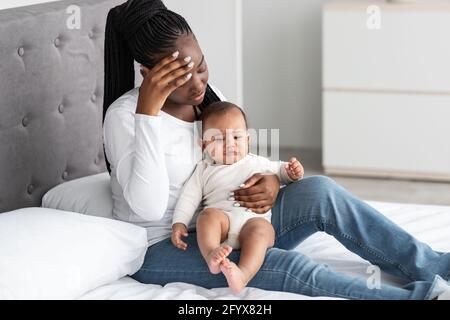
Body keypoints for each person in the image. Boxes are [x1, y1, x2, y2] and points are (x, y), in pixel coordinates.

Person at [102, 0, 450, 299]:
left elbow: (241, 161)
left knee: (320, 190)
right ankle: (422, 296)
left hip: (235, 219)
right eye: (180, 77)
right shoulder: (124, 117)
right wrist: (147, 113)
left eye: (202, 67)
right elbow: (147, 209)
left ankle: (435, 266)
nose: (198, 85)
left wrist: (271, 182)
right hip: (167, 245)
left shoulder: (211, 99)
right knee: (280, 264)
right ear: (147, 74)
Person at [171, 102, 304, 293]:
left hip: (253, 221)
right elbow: (188, 198)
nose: (230, 144)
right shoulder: (203, 170)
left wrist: (292, 172)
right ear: (204, 145)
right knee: (207, 217)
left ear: (248, 140)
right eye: (218, 139)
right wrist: (179, 222)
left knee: (261, 231)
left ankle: (243, 274)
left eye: (236, 137)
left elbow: (282, 172)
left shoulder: (257, 162)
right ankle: (211, 254)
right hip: (222, 224)